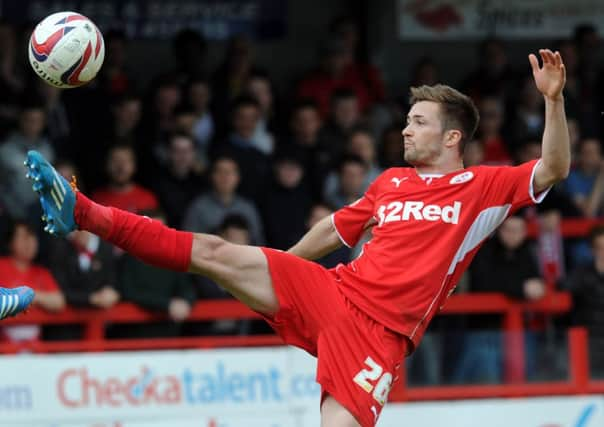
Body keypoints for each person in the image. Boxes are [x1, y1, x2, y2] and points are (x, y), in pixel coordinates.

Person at [25, 49, 569, 427]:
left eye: (418, 121)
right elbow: (335, 230)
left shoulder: (485, 186)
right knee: (217, 252)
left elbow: (552, 167)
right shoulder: (390, 182)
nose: (405, 128)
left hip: (380, 338)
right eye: (406, 119)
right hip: (332, 292)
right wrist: (277, 268)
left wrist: (552, 100)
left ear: (452, 136)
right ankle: (86, 212)